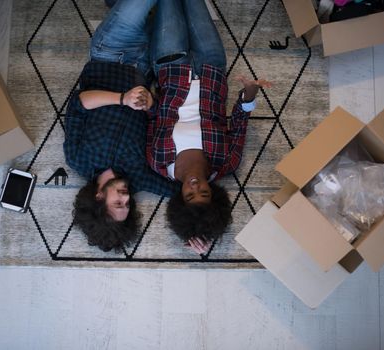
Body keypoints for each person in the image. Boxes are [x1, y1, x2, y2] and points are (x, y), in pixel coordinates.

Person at [147, 0, 271, 254]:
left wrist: (196, 235)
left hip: (170, 66)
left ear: (180, 198)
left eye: (190, 195)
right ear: (213, 193)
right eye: (203, 192)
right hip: (212, 66)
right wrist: (249, 95)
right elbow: (238, 124)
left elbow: (151, 116)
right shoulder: (226, 162)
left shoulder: (158, 163)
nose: (195, 186)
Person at [63, 0, 177, 252]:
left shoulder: (77, 159)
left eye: (118, 204)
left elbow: (79, 103)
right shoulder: (138, 178)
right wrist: (151, 104)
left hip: (111, 53)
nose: (126, 198)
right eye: (127, 206)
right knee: (174, 9)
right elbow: (182, 193)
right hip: (150, 65)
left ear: (99, 198)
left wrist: (121, 99)